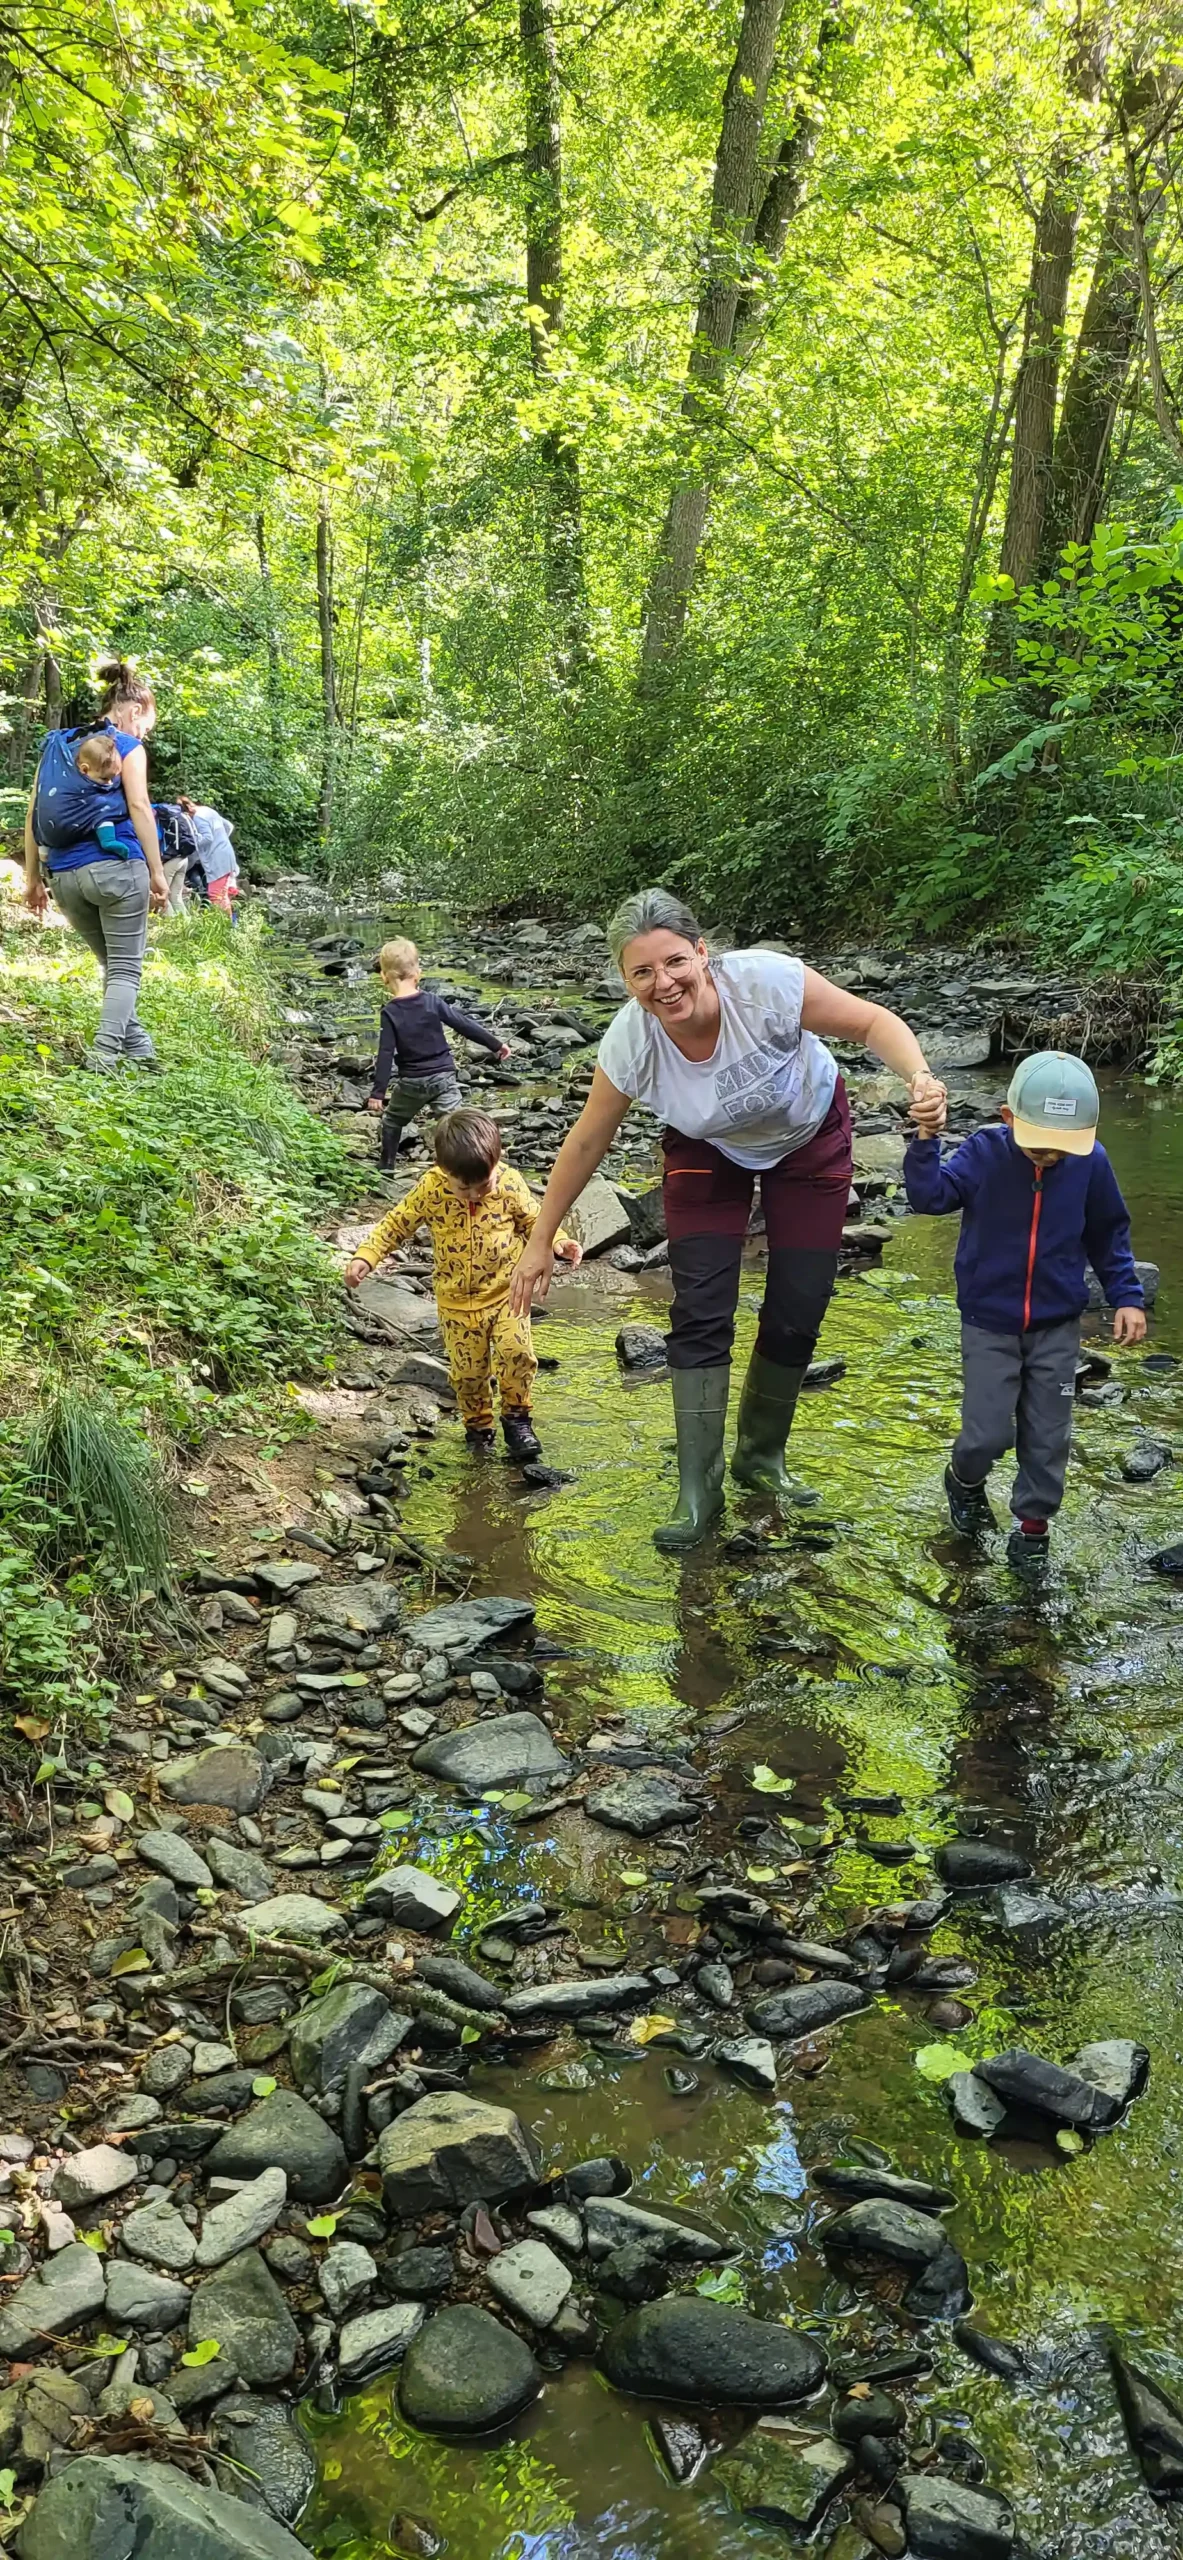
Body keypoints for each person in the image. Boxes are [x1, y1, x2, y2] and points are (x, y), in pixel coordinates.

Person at [508, 888, 946, 1550]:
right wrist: (540, 1240)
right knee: (701, 1308)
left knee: (798, 1304)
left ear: (703, 954)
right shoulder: (632, 1043)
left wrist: (920, 1079)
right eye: (642, 972)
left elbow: (869, 1023)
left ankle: (759, 1460)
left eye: (675, 962)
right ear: (625, 981)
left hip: (808, 1135)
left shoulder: (766, 984)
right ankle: (698, 1489)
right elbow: (585, 1141)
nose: (664, 983)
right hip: (706, 1150)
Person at [904, 1050, 1147, 1576]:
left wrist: (1127, 1296)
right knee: (988, 1432)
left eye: (1062, 1147)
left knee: (1048, 1433)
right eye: (1039, 1144)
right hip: (989, 1321)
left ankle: (1032, 1529)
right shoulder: (984, 1153)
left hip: (1056, 1324)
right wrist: (925, 1142)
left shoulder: (1090, 1162)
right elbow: (929, 1198)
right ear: (1007, 1117)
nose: (1050, 1157)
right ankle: (963, 1481)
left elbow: (1109, 1233)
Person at [344, 1107, 582, 1458]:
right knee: (468, 1373)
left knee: (517, 1355)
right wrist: (366, 1256)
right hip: (457, 1303)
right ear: (444, 1172)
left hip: (507, 1293)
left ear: (497, 1162)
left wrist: (559, 1241)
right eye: (464, 1188)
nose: (474, 1195)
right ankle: (478, 1430)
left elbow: (535, 1220)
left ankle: (517, 1420)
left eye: (483, 1185)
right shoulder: (432, 1189)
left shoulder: (509, 1183)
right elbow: (397, 1224)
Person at [22, 660, 169, 1071]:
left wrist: (33, 879)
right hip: (117, 872)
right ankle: (103, 1056)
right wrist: (158, 873)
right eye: (146, 726)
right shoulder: (125, 746)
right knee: (125, 970)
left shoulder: (58, 744)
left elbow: (34, 814)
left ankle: (140, 1049)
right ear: (133, 710)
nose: (143, 734)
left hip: (64, 877)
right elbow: (140, 807)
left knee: (113, 966)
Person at [366, 938, 512, 1169]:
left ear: (384, 976)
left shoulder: (390, 1012)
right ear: (418, 973)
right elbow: (463, 1024)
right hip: (444, 1078)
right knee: (455, 1125)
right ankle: (465, 1166)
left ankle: (386, 1168)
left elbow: (385, 1053)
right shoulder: (432, 1002)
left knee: (393, 1121)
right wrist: (495, 1044)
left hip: (412, 1082)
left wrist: (378, 1093)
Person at [177, 795, 238, 914]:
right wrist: (221, 839)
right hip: (225, 853)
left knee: (215, 894)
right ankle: (229, 925)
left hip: (217, 858)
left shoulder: (198, 817)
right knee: (222, 893)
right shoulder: (208, 810)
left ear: (188, 810)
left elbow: (207, 838)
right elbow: (228, 826)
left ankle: (225, 927)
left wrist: (191, 839)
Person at [155, 801, 200, 913]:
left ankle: (172, 924)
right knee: (176, 896)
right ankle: (186, 925)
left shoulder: (156, 815)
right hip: (183, 858)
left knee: (163, 895)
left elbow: (157, 836)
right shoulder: (178, 815)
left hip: (171, 860)